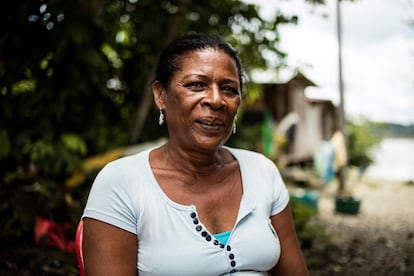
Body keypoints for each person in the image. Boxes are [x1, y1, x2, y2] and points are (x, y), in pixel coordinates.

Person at [81, 33, 309, 276]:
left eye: (229, 89)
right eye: (196, 85)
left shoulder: (262, 171)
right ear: (160, 95)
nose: (216, 100)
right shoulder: (122, 183)